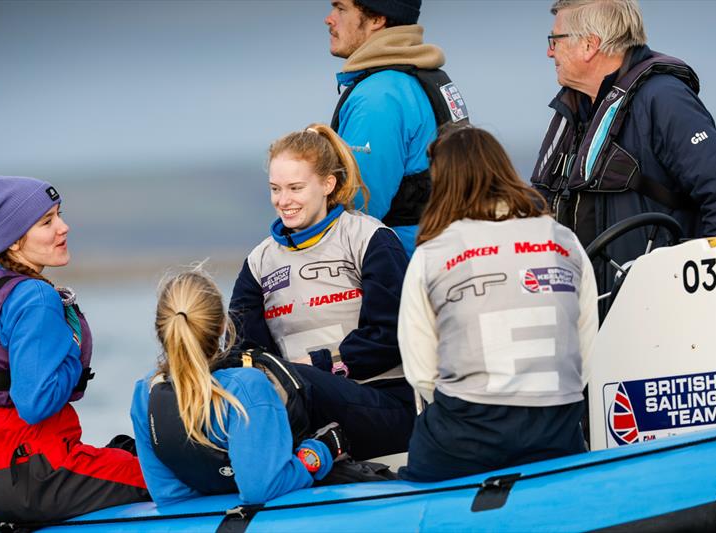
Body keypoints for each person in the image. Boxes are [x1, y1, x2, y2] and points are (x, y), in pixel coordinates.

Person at [397, 125, 598, 482]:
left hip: (468, 433)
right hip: (558, 428)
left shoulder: (432, 254)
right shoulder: (563, 239)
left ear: (442, 182)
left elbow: (421, 370)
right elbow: (585, 344)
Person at [530, 0, 716, 292]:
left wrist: (698, 295)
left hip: (653, 312)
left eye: (554, 40)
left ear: (589, 45)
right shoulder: (577, 111)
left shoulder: (664, 98)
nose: (549, 52)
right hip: (587, 313)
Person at [230, 124, 415, 460]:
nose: (283, 201)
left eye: (295, 188)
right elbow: (246, 351)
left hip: (381, 402)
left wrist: (314, 366)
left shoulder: (368, 239)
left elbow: (392, 336)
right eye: (275, 189)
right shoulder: (260, 261)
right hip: (302, 402)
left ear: (328, 184)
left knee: (293, 379)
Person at [0, 176, 149, 523]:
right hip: (38, 474)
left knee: (122, 450)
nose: (64, 227)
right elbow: (35, 403)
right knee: (167, 474)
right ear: (14, 241)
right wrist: (71, 357)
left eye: (59, 214)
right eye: (47, 222)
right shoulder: (36, 297)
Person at [129, 269, 348, 506]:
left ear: (160, 328)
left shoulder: (145, 392)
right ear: (223, 325)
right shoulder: (247, 386)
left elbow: (168, 494)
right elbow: (261, 489)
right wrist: (319, 452)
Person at [325, 0, 469, 256]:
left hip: (401, 272)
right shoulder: (427, 77)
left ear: (377, 19)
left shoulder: (379, 96)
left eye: (341, 8)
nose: (329, 19)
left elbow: (359, 210)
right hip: (449, 257)